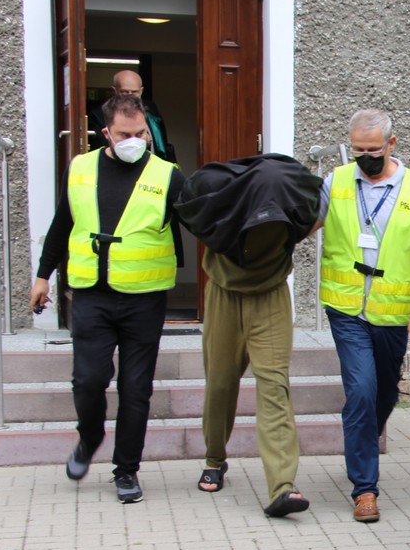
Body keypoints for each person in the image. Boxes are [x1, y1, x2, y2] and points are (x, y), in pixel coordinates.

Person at [29, 93, 185, 503]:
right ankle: (89, 436)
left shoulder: (169, 175)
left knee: (136, 389)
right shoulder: (80, 168)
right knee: (89, 380)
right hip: (91, 296)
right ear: (106, 134)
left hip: (144, 299)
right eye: (124, 134)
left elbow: (202, 223)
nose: (134, 140)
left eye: (140, 133)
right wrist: (42, 275)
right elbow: (62, 223)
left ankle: (126, 471)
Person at [175, 154, 322, 518]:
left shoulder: (294, 205)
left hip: (270, 298)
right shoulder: (222, 204)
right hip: (223, 296)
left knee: (274, 386)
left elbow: (316, 215)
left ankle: (282, 486)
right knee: (221, 383)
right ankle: (215, 459)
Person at [314, 108, 410, 523]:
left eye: (372, 149)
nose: (364, 157)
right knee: (362, 391)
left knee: (384, 394)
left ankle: (363, 433)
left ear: (391, 144)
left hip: (393, 313)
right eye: (357, 150)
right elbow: (307, 223)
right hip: (346, 307)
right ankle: (365, 489)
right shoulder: (336, 182)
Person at [89, 70, 176, 163]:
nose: (130, 96)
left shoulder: (151, 110)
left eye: (134, 92)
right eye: (125, 92)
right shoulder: (99, 115)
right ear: (114, 91)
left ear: (141, 91)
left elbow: (162, 143)